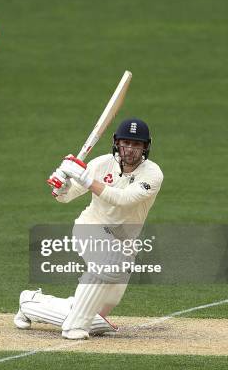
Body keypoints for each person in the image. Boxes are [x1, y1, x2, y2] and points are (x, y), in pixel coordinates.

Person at [14, 118, 163, 339]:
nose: (130, 149)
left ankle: (31, 304)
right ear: (116, 142)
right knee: (107, 265)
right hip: (91, 227)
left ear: (145, 147)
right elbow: (65, 196)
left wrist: (85, 179)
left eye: (136, 144)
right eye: (126, 143)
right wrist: (62, 186)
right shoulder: (100, 164)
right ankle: (75, 327)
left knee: (99, 315)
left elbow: (122, 199)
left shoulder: (153, 174)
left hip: (125, 242)